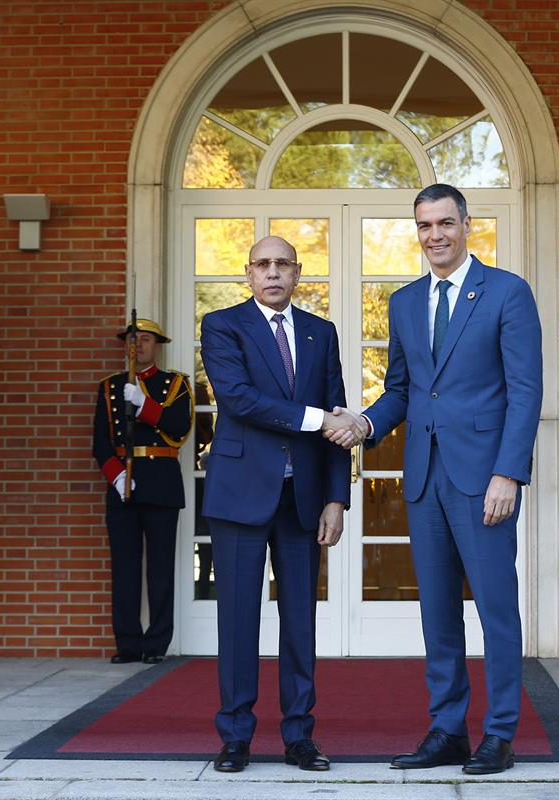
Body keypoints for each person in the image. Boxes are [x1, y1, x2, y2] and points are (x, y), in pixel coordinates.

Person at [329, 184, 542, 775]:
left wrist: (509, 472)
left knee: (496, 607)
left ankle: (498, 734)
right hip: (423, 478)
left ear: (467, 224)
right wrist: (365, 422)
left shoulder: (507, 293)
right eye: (424, 226)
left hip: (484, 480)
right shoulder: (404, 302)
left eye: (445, 223)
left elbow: (525, 392)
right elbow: (403, 389)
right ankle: (447, 729)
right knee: (437, 611)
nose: (435, 235)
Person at [199, 235, 359, 773]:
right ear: (248, 273)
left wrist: (337, 497)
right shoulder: (223, 326)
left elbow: (337, 413)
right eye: (262, 264)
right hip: (240, 495)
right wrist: (317, 419)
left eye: (283, 264)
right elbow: (238, 399)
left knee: (300, 624)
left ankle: (299, 736)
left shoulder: (321, 332)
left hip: (303, 499)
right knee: (238, 620)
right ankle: (236, 736)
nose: (272, 272)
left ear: (297, 273)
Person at [92, 318, 193, 666]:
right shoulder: (109, 388)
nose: (138, 345)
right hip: (123, 486)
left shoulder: (175, 384)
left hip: (161, 482)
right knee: (124, 569)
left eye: (145, 339)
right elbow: (100, 444)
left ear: (157, 345)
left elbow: (180, 429)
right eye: (132, 339)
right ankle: (128, 643)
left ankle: (156, 645)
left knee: (161, 569)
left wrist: (145, 405)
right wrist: (117, 477)